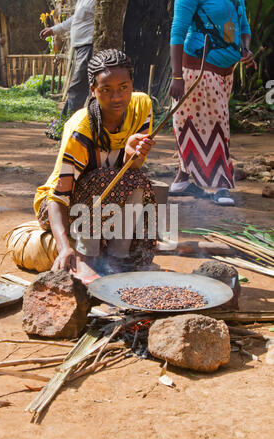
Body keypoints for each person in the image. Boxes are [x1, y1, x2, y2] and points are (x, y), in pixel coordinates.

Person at [34, 49, 157, 285]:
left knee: (138, 179)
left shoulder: (141, 107)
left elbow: (133, 168)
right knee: (103, 177)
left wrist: (132, 156)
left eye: (124, 87)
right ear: (93, 90)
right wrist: (63, 248)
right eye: (105, 90)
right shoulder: (82, 129)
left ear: (132, 83)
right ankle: (85, 256)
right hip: (65, 210)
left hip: (105, 210)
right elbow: (58, 198)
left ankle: (116, 258)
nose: (117, 97)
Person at [168, 0, 256, 206]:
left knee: (203, 124)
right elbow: (178, 31)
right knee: (216, 127)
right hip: (198, 71)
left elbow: (240, 27)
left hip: (225, 73)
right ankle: (219, 186)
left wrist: (244, 50)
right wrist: (177, 76)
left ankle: (182, 178)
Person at [40, 0, 95, 117]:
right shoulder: (82, 1)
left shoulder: (97, 2)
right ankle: (65, 122)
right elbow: (74, 19)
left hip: (88, 46)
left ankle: (67, 122)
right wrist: (53, 30)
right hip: (79, 48)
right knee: (77, 86)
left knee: (77, 86)